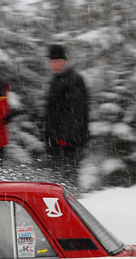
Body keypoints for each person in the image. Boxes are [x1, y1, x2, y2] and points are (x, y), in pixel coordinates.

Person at [43, 44, 90, 189]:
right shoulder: (56, 80)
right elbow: (52, 110)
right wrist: (49, 134)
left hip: (70, 140)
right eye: (52, 61)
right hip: (56, 139)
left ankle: (71, 198)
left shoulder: (74, 79)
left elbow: (77, 111)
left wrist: (67, 136)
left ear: (65, 61)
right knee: (57, 176)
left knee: (69, 175)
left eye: (58, 61)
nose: (54, 65)